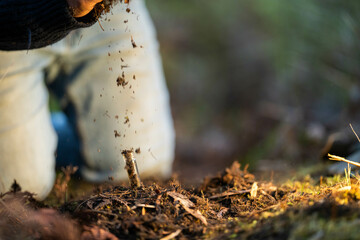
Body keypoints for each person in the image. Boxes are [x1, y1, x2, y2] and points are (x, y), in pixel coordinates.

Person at [0, 0, 175, 200]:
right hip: (8, 24)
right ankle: (30, 136)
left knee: (142, 166)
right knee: (19, 189)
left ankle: (41, 133)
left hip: (107, 16)